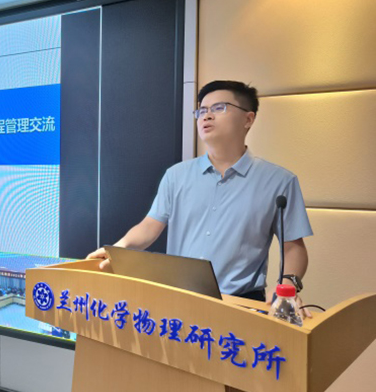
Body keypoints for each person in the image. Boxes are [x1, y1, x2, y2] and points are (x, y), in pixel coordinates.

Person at [87, 80, 313, 315]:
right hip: (177, 299)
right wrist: (119, 247)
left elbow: (293, 247)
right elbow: (149, 226)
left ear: (248, 119)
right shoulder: (176, 175)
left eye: (219, 108)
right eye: (201, 110)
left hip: (239, 304)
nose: (207, 116)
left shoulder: (279, 181)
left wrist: (288, 286)